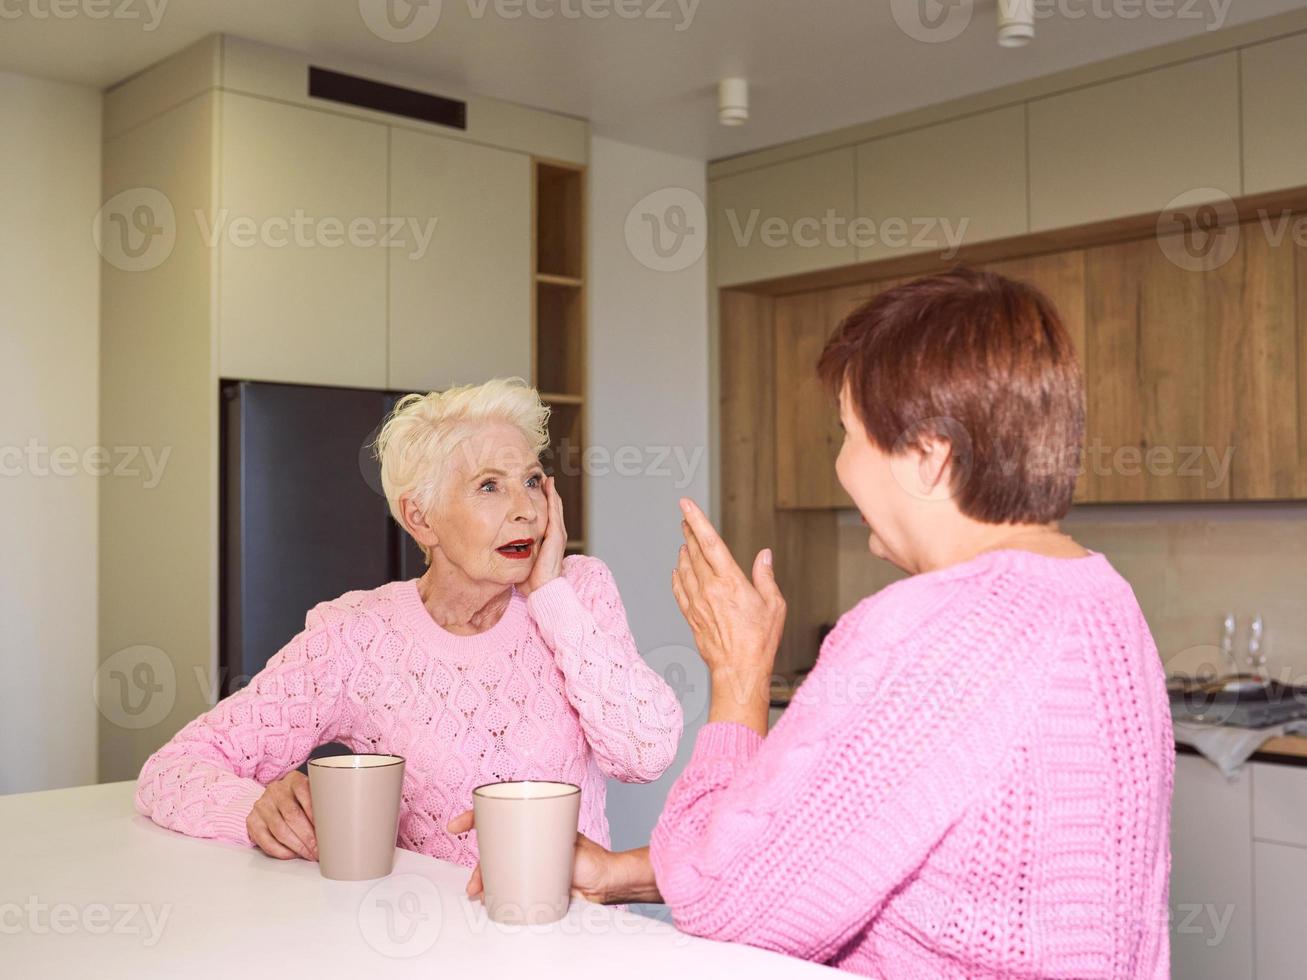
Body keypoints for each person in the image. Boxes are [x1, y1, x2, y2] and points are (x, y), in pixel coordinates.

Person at [453, 269, 1174, 977]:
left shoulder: (924, 631)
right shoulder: (1103, 601)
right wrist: (617, 874)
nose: (840, 464)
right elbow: (834, 852)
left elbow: (724, 901)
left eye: (849, 433)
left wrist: (737, 678)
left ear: (927, 457)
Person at [136, 377, 683, 867]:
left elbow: (646, 753)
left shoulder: (578, 593)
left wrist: (549, 595)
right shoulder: (357, 635)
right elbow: (173, 770)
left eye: (533, 481)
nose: (526, 509)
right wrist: (255, 809)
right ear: (421, 517)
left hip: (574, 946)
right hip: (426, 947)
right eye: (490, 486)